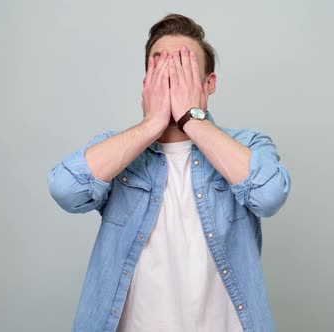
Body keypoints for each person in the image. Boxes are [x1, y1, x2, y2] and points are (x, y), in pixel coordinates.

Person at [47, 13, 291, 332]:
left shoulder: (246, 144)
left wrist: (192, 119)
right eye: (161, 67)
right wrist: (151, 124)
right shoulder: (117, 150)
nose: (172, 77)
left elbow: (269, 195)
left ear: (208, 83)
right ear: (147, 81)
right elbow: (66, 189)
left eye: (183, 66)